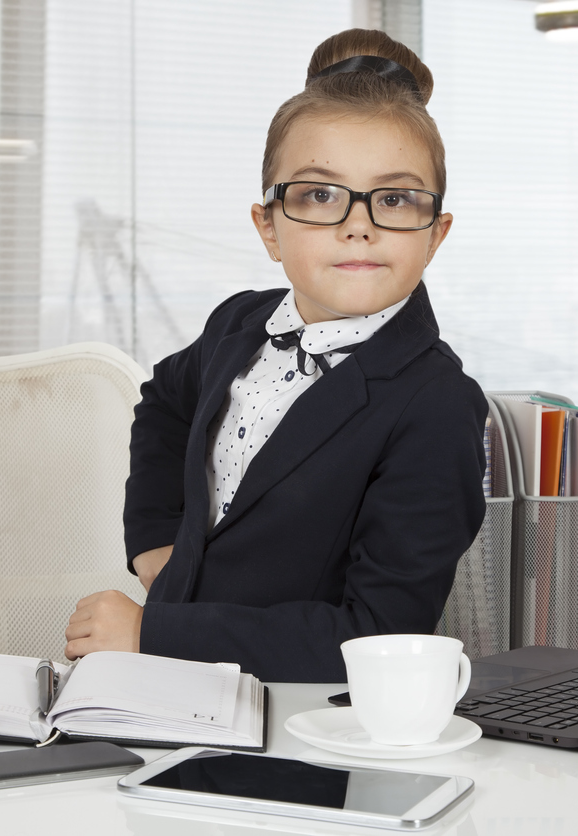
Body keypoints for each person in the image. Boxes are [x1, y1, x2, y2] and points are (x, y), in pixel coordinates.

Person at [64, 28, 487, 682]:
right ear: (269, 227)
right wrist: (155, 539)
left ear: (436, 234)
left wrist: (155, 631)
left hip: (300, 721)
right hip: (176, 697)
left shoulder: (438, 405)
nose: (358, 224)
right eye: (319, 195)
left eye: (395, 198)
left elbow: (379, 636)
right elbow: (163, 402)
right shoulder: (239, 323)